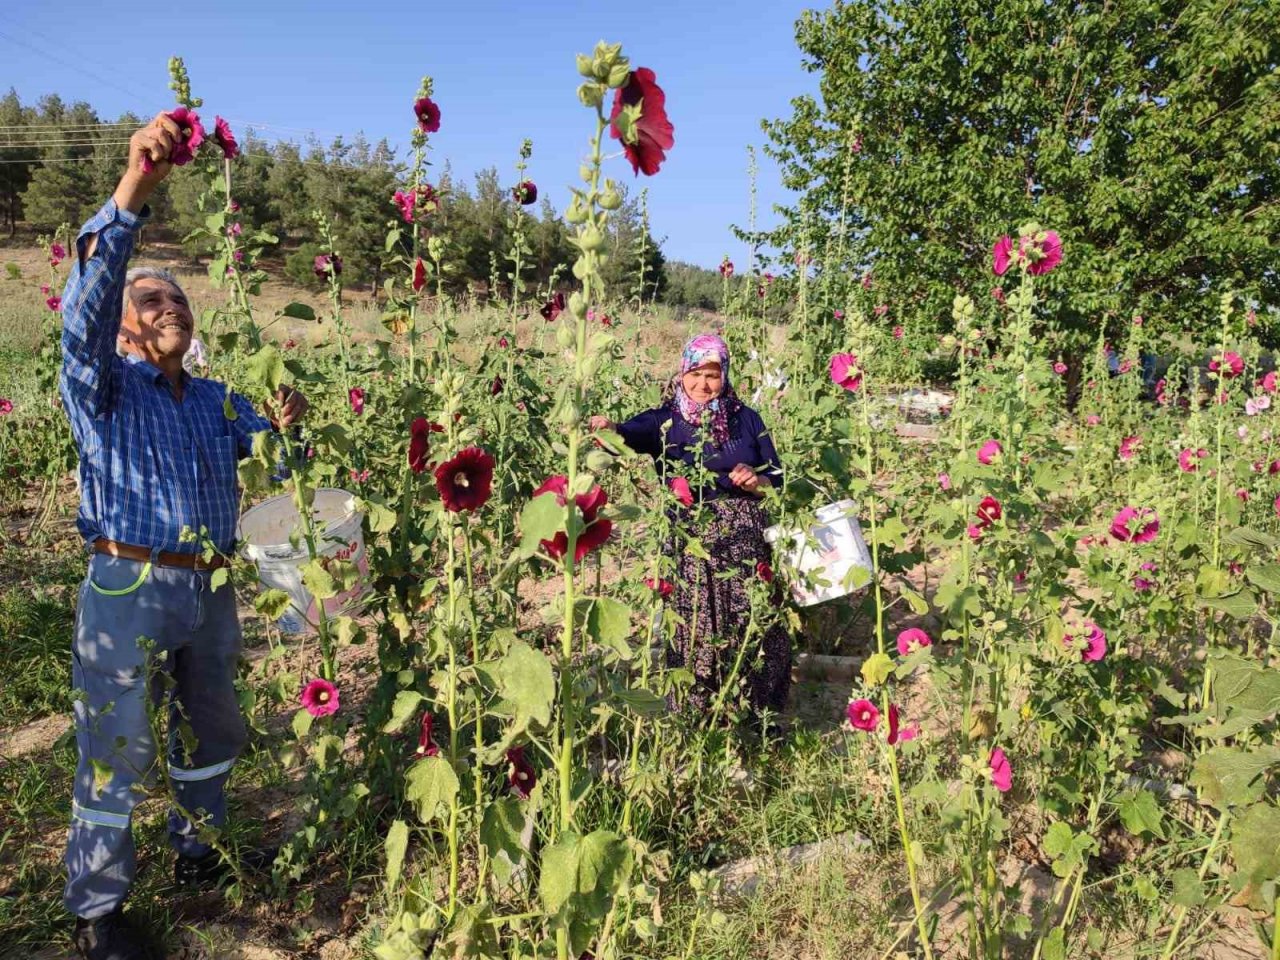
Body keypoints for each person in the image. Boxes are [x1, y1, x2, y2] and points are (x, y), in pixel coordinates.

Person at [59, 114, 307, 960]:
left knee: (213, 727)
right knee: (116, 743)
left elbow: (280, 463)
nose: (170, 307)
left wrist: (287, 429)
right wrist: (134, 191)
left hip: (209, 586)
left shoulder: (216, 398)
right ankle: (99, 911)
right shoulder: (101, 386)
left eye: (179, 299)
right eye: (151, 300)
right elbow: (84, 309)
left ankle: (199, 848)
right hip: (127, 585)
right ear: (124, 327)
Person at [591, 333, 791, 718]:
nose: (703, 384)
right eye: (695, 373)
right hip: (689, 539)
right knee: (694, 629)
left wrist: (757, 481)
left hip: (744, 541)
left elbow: (778, 479)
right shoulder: (664, 420)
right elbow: (626, 435)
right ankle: (695, 718)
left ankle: (755, 720)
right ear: (682, 373)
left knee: (753, 625)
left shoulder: (747, 419)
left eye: (712, 375)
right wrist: (608, 427)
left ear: (724, 376)